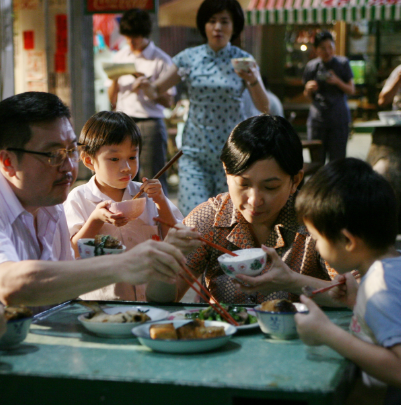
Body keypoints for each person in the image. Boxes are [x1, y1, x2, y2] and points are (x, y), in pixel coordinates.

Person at [0, 91, 192, 310]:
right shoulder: (1, 202)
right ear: (8, 162)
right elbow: (8, 284)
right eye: (53, 155)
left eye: (70, 151)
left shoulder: (52, 204)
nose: (69, 167)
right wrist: (123, 264)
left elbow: (63, 285)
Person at [147, 115, 339, 305]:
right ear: (226, 172)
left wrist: (293, 282)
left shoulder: (317, 222)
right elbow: (160, 299)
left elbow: (358, 293)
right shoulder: (209, 219)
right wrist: (167, 256)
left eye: (270, 187)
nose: (255, 200)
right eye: (243, 184)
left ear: (295, 181)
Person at [139, 0, 269, 216]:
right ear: (204, 26)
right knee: (195, 215)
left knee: (229, 216)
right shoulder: (188, 58)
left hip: (232, 154)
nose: (217, 27)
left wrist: (254, 80)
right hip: (194, 153)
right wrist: (144, 85)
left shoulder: (243, 60)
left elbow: (264, 107)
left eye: (224, 21)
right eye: (212, 21)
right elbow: (155, 90)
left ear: (234, 26)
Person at [294, 158, 401, 402]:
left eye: (316, 238)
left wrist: (327, 333)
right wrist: (356, 302)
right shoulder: (390, 270)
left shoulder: (379, 289)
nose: (316, 247)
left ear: (348, 241)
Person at [64, 111, 183, 301]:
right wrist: (95, 220)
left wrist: (161, 201)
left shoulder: (149, 196)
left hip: (150, 300)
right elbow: (71, 251)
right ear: (89, 161)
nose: (127, 167)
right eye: (114, 159)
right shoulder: (79, 199)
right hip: (101, 304)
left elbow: (175, 239)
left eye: (132, 157)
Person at [107, 8, 176, 195]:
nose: (130, 42)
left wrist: (150, 88)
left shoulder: (161, 60)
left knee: (153, 176)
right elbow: (111, 98)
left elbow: (169, 101)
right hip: (123, 121)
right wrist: (114, 78)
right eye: (127, 37)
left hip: (150, 122)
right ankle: (128, 216)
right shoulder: (120, 57)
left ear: (145, 34)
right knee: (123, 176)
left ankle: (158, 219)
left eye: (134, 37)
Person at [303, 30, 355, 164]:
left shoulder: (342, 63)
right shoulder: (311, 66)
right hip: (317, 120)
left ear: (334, 47)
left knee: (337, 162)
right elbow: (307, 97)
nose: (327, 51)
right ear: (316, 50)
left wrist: (337, 81)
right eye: (323, 48)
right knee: (317, 162)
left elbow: (351, 90)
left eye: (330, 47)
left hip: (338, 119)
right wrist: (308, 89)